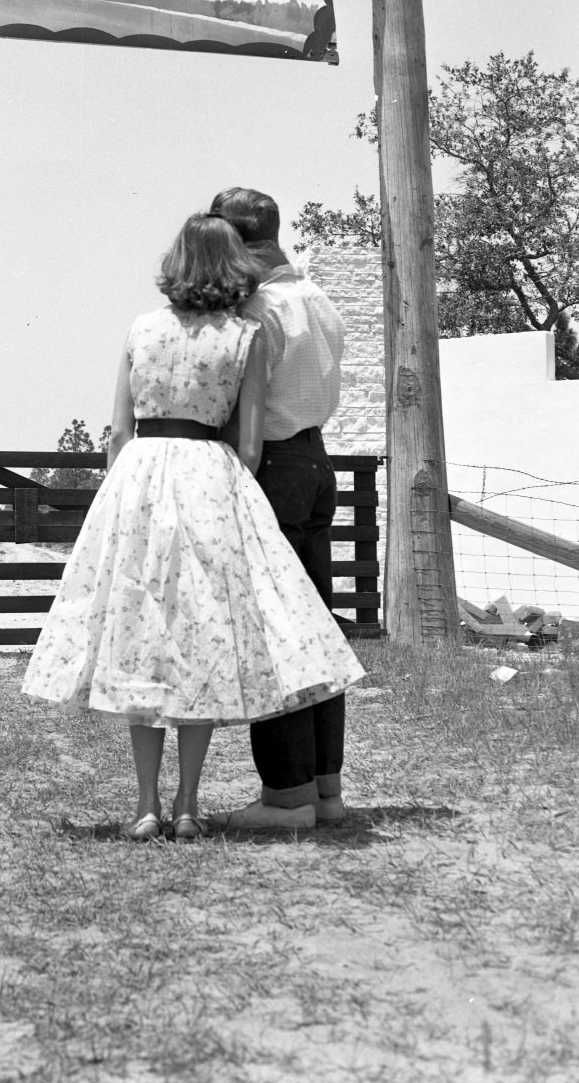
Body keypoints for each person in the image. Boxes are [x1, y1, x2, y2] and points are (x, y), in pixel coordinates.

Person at [21, 211, 364, 841]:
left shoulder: (141, 328)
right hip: (219, 469)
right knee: (249, 628)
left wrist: (125, 490)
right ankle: (190, 805)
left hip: (142, 475)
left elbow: (119, 432)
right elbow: (251, 443)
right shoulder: (249, 332)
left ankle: (148, 804)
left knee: (144, 629)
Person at [209, 186, 350, 832]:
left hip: (276, 464)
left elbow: (245, 405)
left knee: (276, 628)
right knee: (318, 628)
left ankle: (285, 793)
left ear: (234, 238)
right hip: (320, 461)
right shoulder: (317, 299)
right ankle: (326, 786)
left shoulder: (258, 308)